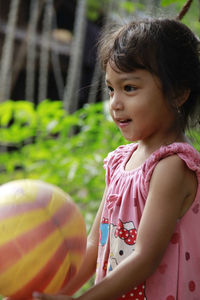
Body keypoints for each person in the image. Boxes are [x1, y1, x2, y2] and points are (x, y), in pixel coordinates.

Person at [33, 18, 200, 300]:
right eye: (111, 89)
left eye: (130, 88)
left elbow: (145, 258)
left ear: (178, 94)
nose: (115, 103)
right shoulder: (121, 161)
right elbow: (95, 242)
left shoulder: (171, 166)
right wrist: (53, 294)